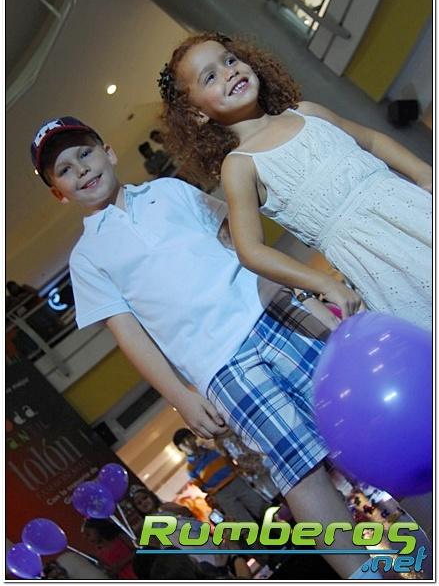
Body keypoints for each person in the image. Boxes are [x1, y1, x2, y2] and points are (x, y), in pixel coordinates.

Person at [30, 115, 385, 579]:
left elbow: (239, 241)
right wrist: (180, 396)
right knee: (300, 472)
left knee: (368, 418)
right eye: (64, 170)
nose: (81, 169)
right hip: (220, 367)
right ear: (58, 193)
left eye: (85, 153)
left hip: (273, 309)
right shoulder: (86, 259)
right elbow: (129, 335)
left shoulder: (169, 190)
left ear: (108, 151)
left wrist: (307, 298)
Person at [158, 32, 432, 330]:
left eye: (230, 60)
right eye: (210, 77)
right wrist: (322, 283)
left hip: (414, 210)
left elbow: (371, 140)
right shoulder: (240, 166)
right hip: (373, 256)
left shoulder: (307, 112)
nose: (229, 72)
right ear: (196, 113)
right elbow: (250, 250)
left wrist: (423, 172)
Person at [173, 427, 267, 523]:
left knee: (261, 507)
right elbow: (201, 487)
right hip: (221, 493)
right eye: (183, 443)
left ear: (194, 437)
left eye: (189, 438)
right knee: (244, 522)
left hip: (236, 481)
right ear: (180, 448)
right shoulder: (190, 468)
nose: (188, 443)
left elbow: (229, 461)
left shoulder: (213, 449)